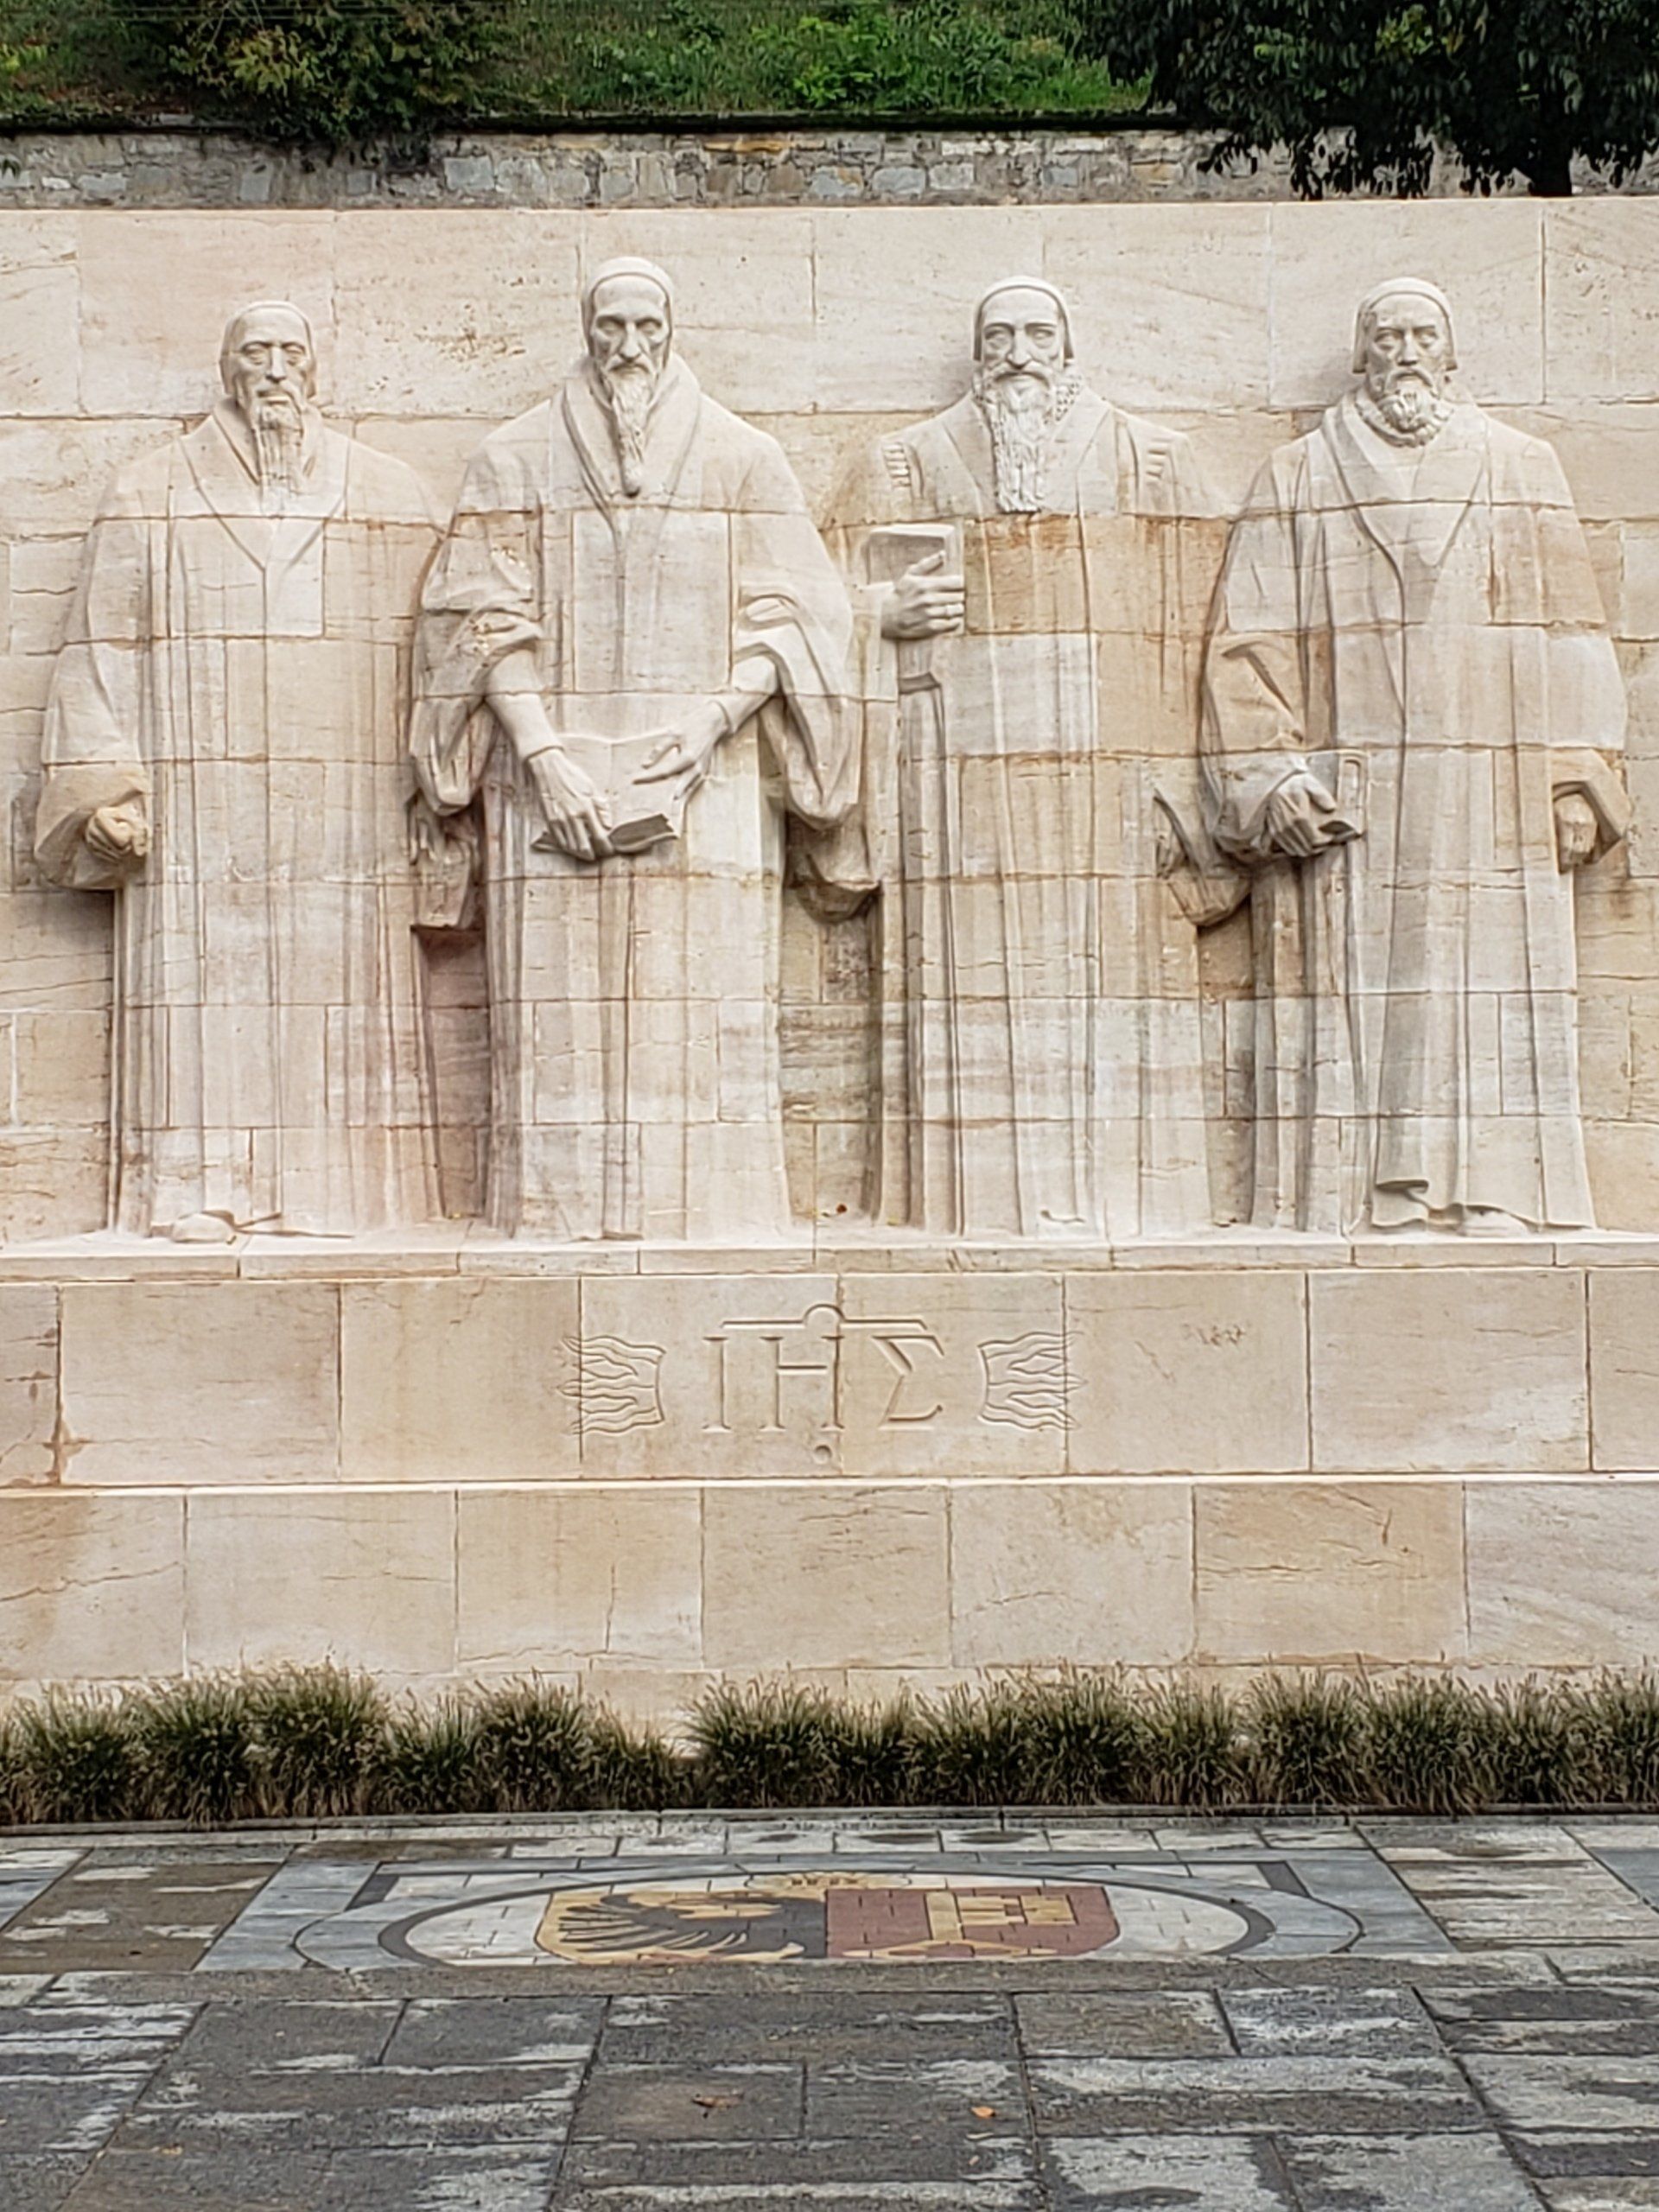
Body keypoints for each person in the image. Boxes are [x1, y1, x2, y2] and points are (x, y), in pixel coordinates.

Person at [410, 257, 858, 1240]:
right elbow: (473, 619)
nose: (628, 346)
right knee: (556, 1024)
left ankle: (713, 1216)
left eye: (646, 325)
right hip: (546, 790)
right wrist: (541, 755)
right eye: (610, 325)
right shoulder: (514, 458)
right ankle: (556, 1217)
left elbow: (802, 618)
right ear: (586, 331)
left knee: (703, 1023)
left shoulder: (745, 458)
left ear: (672, 330)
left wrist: (709, 726)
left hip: (709, 782)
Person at [1201, 277, 1630, 1234]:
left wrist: (1576, 781)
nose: (1403, 350)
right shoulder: (1300, 474)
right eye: (1385, 334)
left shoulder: (1522, 468)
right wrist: (1273, 776)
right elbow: (1247, 645)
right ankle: (1362, 1200)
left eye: (1421, 333)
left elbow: (1573, 632)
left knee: (1492, 984)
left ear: (1449, 352)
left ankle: (1500, 1192)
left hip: (1492, 786)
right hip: (1354, 793)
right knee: (1362, 992)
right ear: (1361, 356)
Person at [825, 276, 1225, 1240]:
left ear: (1068, 347)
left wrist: (1189, 784)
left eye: (1037, 332)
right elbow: (805, 600)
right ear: (975, 355)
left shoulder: (1155, 462)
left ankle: (1127, 1203)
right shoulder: (901, 465)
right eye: (997, 335)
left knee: (1111, 987)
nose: (1017, 351)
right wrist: (876, 617)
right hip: (952, 773)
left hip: (1112, 777)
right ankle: (965, 1206)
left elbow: (1218, 625)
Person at [37, 302, 441, 1240]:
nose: (274, 370)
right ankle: (195, 1188)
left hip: (348, 804)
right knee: (204, 985)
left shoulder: (390, 493)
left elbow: (444, 651)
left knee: (336, 984)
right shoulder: (150, 494)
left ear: (316, 369)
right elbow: (101, 650)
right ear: (227, 371)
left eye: (290, 352)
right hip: (197, 802)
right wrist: (105, 789)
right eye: (254, 353)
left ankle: (335, 1192)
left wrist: (437, 788)